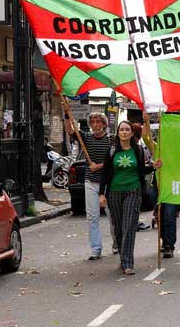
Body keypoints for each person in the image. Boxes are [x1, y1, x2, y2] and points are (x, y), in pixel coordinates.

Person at [99, 120, 161, 275]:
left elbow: (142, 170)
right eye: (122, 130)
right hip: (114, 192)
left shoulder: (138, 150)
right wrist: (101, 194)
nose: (125, 132)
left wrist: (153, 166)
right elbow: (105, 173)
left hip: (133, 191)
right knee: (119, 229)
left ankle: (128, 263)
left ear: (132, 133)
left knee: (129, 226)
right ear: (118, 133)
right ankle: (123, 257)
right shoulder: (112, 151)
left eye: (127, 130)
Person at [62, 109, 117, 260]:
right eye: (92, 122)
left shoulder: (111, 140)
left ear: (104, 124)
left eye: (98, 122)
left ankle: (116, 242)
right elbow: (70, 130)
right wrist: (66, 114)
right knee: (92, 217)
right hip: (91, 182)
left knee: (113, 216)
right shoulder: (85, 137)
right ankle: (96, 249)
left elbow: (114, 161)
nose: (95, 125)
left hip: (108, 183)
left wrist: (98, 166)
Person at [142, 113, 178, 259]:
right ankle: (164, 241)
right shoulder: (156, 148)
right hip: (157, 188)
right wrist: (146, 121)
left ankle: (169, 245)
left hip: (170, 188)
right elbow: (145, 137)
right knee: (160, 216)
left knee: (169, 216)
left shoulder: (178, 153)